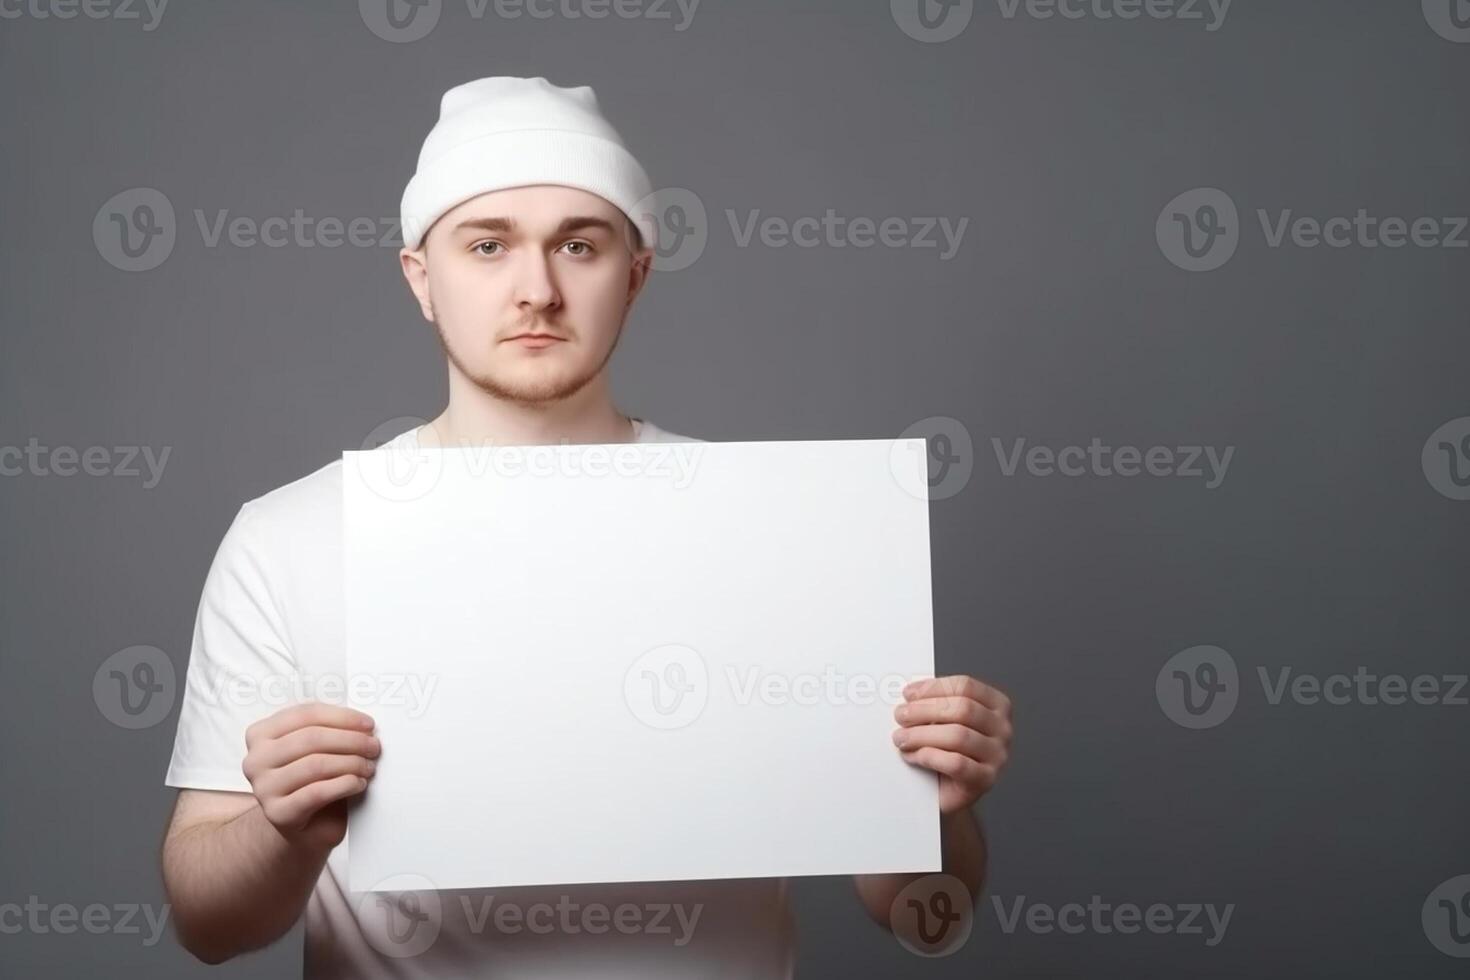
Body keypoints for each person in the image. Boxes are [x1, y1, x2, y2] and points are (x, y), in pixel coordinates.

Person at [158, 75, 1014, 978]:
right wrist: (283, 829)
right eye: (487, 245)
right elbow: (208, 924)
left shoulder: (773, 529)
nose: (537, 289)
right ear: (422, 278)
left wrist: (943, 805)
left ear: (635, 274)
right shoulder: (287, 537)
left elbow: (920, 916)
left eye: (578, 244)